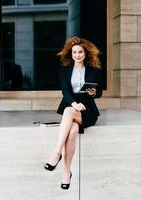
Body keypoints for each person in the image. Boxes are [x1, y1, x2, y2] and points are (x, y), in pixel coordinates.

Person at [44, 36, 103, 190]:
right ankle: (65, 173)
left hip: (87, 111)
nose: (77, 55)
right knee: (72, 131)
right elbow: (65, 90)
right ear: (71, 54)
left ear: (85, 53)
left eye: (80, 52)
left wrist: (93, 93)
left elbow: (99, 93)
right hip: (72, 106)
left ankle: (56, 153)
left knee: (69, 111)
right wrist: (74, 103)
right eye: (74, 52)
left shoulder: (94, 69)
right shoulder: (65, 70)